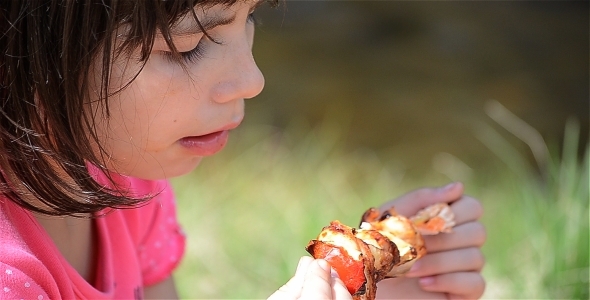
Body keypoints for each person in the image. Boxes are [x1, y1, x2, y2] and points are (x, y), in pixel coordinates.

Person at [0, 0, 485, 299]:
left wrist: (366, 286)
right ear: (28, 51)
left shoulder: (126, 178)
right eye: (186, 47)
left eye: (248, 16)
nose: (252, 81)